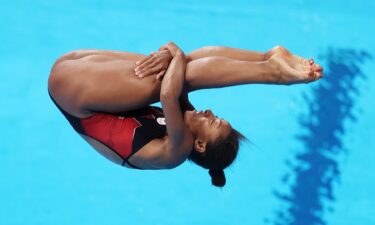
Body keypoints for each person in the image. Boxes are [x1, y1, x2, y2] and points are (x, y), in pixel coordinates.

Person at [47, 42, 323, 187]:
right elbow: (176, 82)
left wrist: (173, 51)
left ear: (200, 144)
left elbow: (169, 93)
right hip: (71, 70)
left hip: (72, 92)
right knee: (184, 65)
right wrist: (174, 55)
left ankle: (272, 73)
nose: (211, 112)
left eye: (213, 121)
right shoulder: (185, 124)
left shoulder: (176, 151)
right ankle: (266, 57)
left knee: (183, 72)